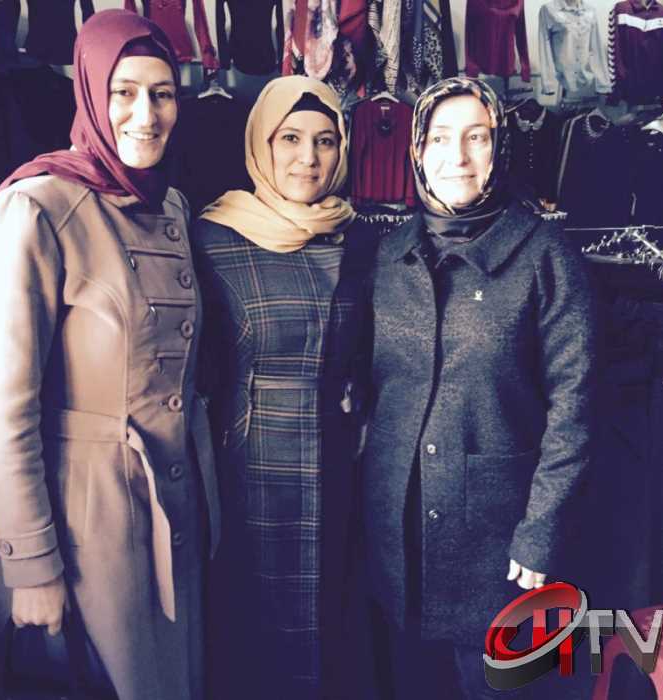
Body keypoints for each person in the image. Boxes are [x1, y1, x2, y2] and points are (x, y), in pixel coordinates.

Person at [0, 10, 219, 700]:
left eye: (162, 94)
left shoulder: (170, 204)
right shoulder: (36, 208)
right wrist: (31, 564)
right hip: (85, 520)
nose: (146, 114)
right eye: (123, 92)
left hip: (173, 508)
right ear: (88, 91)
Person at [361, 77, 596, 699]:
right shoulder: (387, 256)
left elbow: (574, 408)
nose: (457, 157)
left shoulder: (546, 257)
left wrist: (541, 528)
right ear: (417, 150)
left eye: (477, 137)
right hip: (398, 537)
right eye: (439, 138)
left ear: (502, 146)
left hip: (501, 545)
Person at [192, 75, 373, 700]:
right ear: (261, 144)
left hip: (337, 466)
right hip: (246, 465)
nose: (308, 158)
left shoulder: (359, 238)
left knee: (333, 620)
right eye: (290, 138)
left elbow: (375, 349)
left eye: (325, 140)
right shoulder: (212, 237)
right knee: (249, 627)